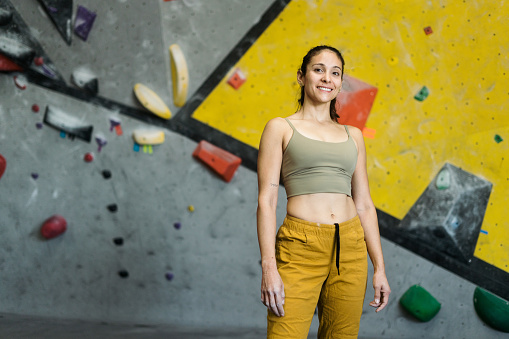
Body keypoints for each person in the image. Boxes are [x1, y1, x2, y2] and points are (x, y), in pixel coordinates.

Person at [256, 45, 391, 339]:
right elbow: (267, 201)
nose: (327, 78)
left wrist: (379, 267)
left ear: (341, 83)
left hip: (351, 246)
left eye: (335, 73)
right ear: (302, 76)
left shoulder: (353, 135)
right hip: (300, 244)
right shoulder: (280, 128)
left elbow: (365, 204)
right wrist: (269, 266)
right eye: (318, 69)